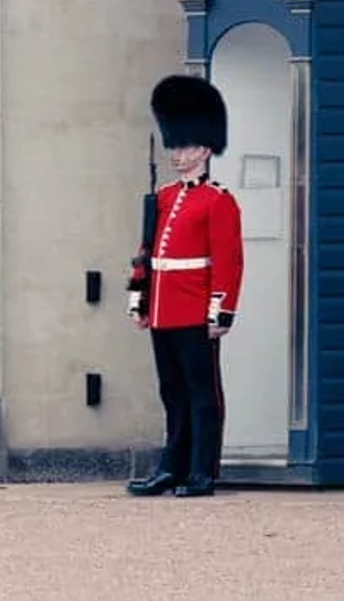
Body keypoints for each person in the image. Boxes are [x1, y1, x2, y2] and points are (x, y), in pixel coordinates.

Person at [125, 74, 244, 498]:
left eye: (186, 146)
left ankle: (202, 470)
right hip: (163, 307)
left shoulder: (218, 200)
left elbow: (228, 262)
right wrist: (139, 300)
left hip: (195, 309)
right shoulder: (164, 196)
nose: (178, 154)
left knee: (202, 394)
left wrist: (221, 310)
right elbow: (147, 252)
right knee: (171, 392)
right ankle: (171, 467)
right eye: (175, 145)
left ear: (206, 148)